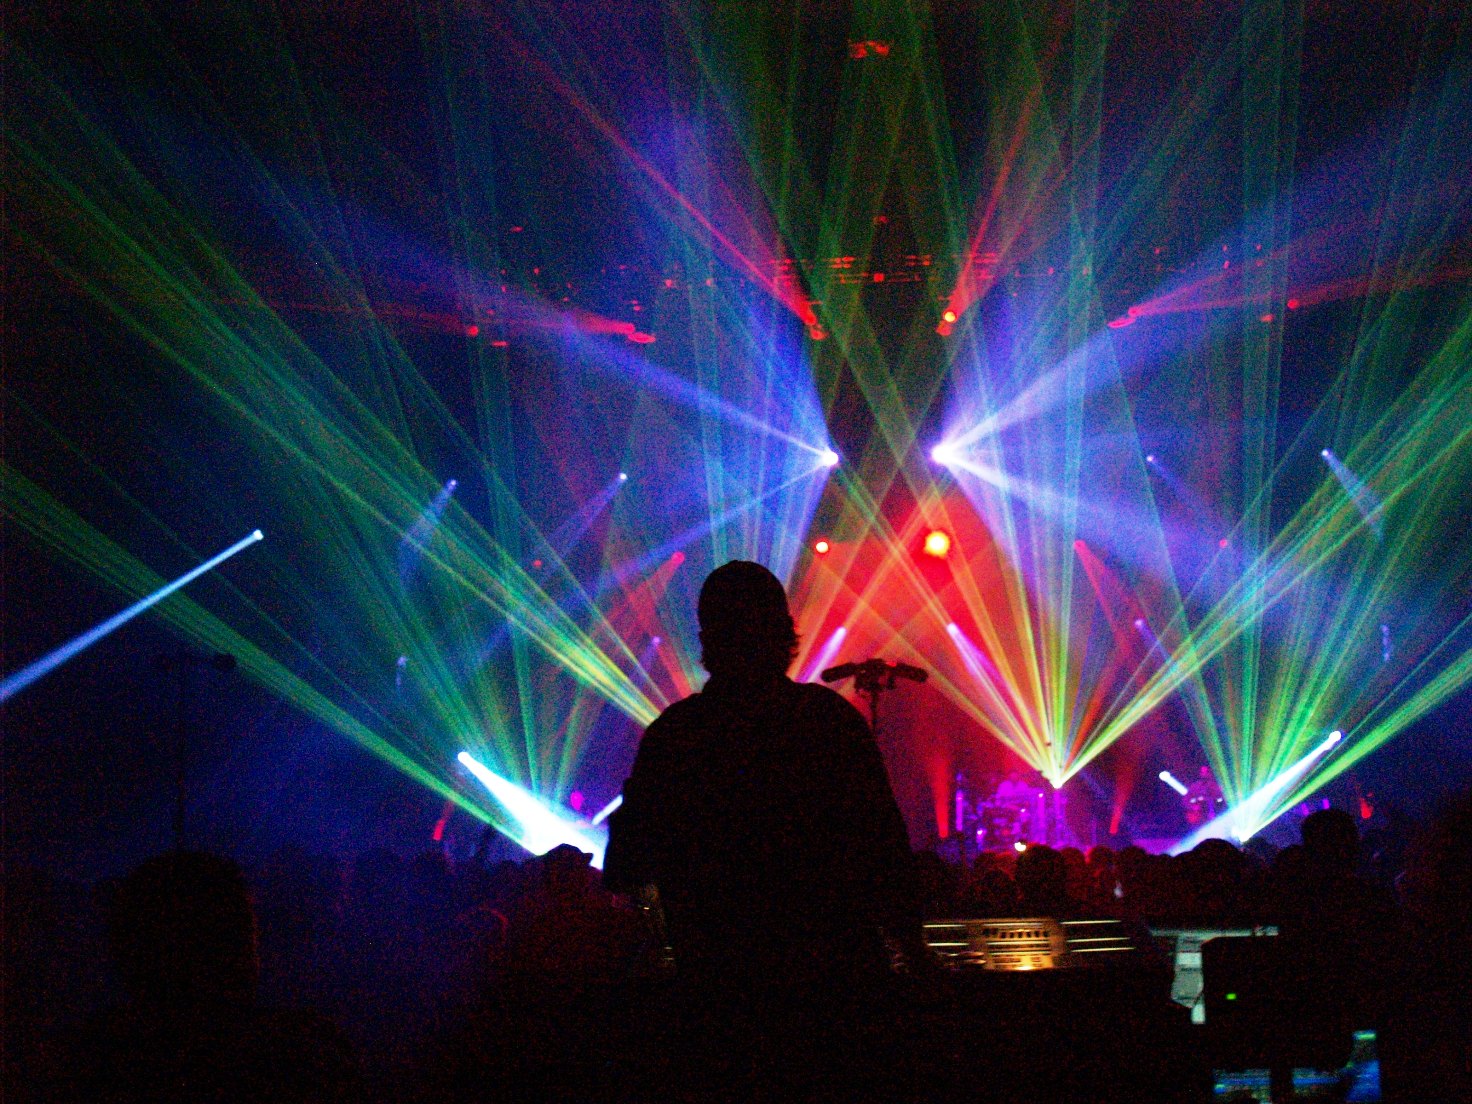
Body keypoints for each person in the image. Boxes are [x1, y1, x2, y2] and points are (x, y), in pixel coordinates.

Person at [603, 560, 925, 1100]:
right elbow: (886, 857)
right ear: (784, 633)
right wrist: (913, 958)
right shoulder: (830, 723)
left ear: (708, 640)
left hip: (720, 1008)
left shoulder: (674, 737)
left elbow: (625, 868)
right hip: (836, 1005)